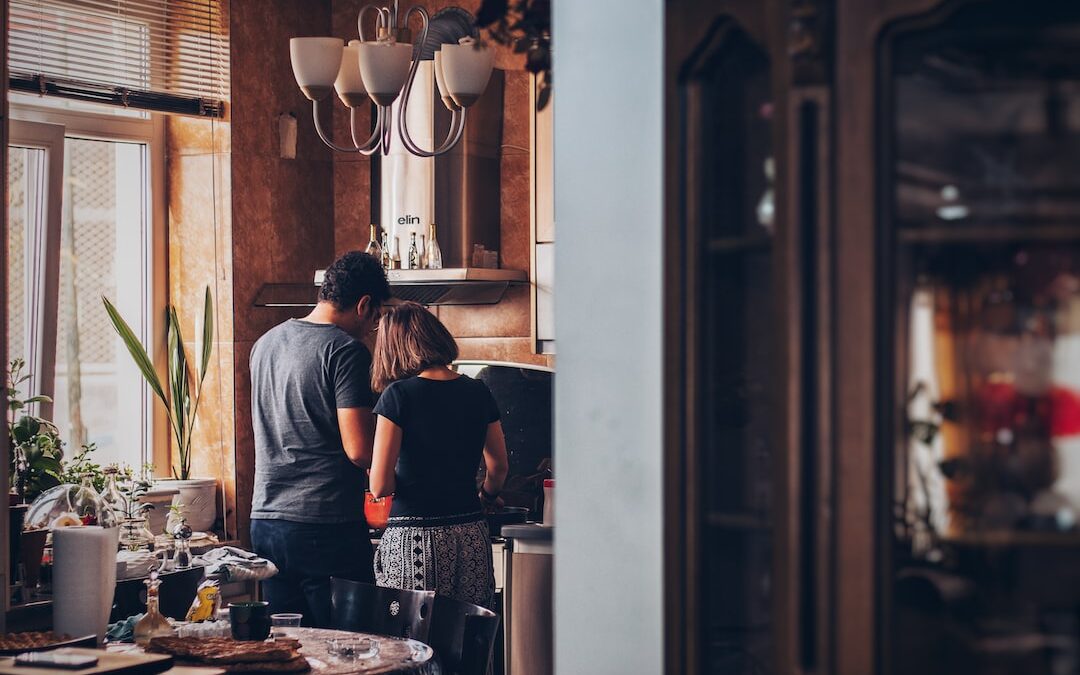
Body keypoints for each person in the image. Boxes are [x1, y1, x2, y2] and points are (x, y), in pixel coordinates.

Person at [248, 251, 390, 627]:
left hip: (266, 522)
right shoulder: (345, 351)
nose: (372, 327)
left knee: (292, 649)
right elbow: (360, 450)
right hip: (324, 526)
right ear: (364, 305)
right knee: (351, 650)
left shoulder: (265, 344)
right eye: (375, 317)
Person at [368, 302, 509, 608]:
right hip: (471, 534)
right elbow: (498, 467)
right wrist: (486, 497)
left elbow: (380, 486)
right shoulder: (478, 391)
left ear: (393, 348)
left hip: (414, 542)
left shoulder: (398, 396)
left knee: (412, 646)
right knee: (469, 638)